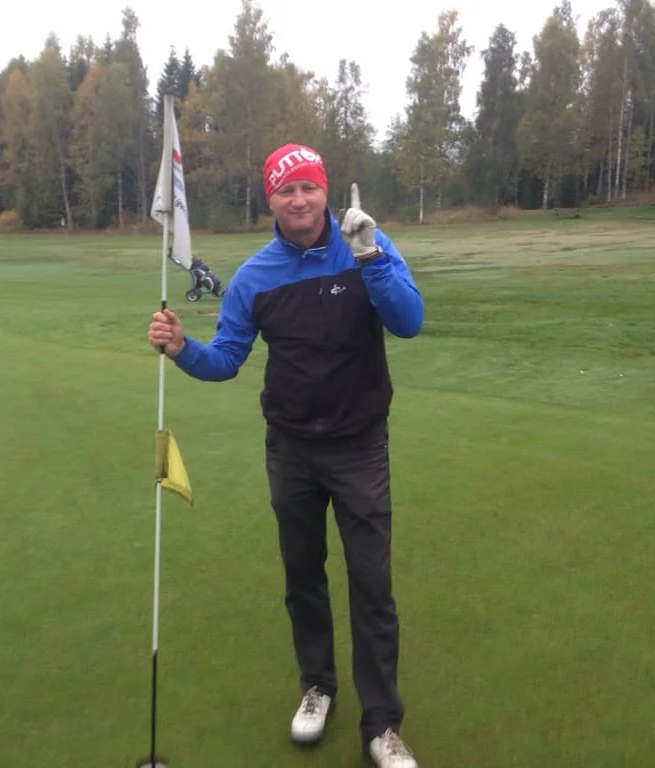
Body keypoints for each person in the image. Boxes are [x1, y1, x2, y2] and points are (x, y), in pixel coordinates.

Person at [147, 143, 424, 768]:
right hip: (292, 449)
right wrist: (183, 349)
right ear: (270, 199)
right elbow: (225, 360)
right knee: (303, 578)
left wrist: (372, 259)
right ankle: (317, 687)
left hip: (359, 447)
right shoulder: (255, 276)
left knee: (372, 584)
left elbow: (409, 321)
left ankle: (382, 724)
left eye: (308, 187)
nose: (298, 200)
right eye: (285, 190)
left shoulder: (366, 245)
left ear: (325, 191)